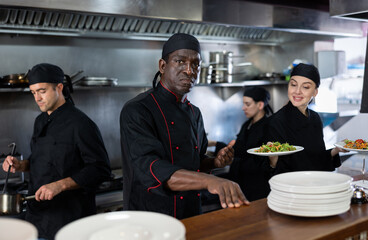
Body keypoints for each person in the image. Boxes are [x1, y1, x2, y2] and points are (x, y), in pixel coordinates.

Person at [120, 33, 249, 219]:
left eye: (195, 64)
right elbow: (151, 168)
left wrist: (214, 163)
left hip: (190, 214)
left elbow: (194, 163)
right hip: (150, 218)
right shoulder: (138, 110)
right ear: (163, 66)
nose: (189, 70)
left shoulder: (194, 113)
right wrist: (210, 181)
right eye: (180, 61)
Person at [2, 63, 111, 240]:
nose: (37, 98)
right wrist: (21, 165)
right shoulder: (40, 121)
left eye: (42, 91)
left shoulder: (81, 124)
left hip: (69, 220)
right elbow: (43, 160)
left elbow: (100, 169)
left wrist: (60, 185)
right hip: (38, 218)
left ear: (59, 87)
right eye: (33, 92)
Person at [265, 63, 344, 173]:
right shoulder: (276, 121)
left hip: (315, 184)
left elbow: (317, 158)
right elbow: (275, 169)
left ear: (315, 92)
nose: (297, 91)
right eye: (293, 85)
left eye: (305, 87)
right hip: (292, 187)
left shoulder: (315, 118)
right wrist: (273, 161)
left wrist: (336, 150)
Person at [208, 86, 274, 201]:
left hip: (256, 185)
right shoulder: (247, 125)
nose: (243, 108)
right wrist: (213, 145)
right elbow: (238, 148)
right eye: (243, 104)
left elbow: (245, 152)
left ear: (260, 105)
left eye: (247, 104)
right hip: (240, 180)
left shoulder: (268, 127)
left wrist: (214, 144)